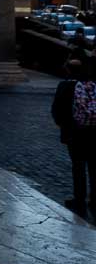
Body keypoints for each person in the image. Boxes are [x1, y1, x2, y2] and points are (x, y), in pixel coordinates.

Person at [51, 56, 96, 218]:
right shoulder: (93, 85)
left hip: (75, 132)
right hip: (94, 130)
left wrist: (63, 126)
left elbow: (57, 110)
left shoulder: (65, 86)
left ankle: (79, 198)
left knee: (78, 166)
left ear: (68, 69)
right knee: (93, 165)